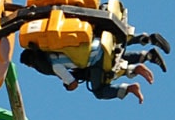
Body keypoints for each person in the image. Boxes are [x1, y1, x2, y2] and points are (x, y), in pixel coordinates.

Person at [19, 31, 168, 103]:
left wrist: (68, 85)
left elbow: (73, 83)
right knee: (115, 54)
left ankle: (130, 85)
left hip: (94, 59)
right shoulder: (52, 46)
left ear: (32, 63)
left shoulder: (52, 65)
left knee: (99, 91)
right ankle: (147, 47)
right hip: (97, 42)